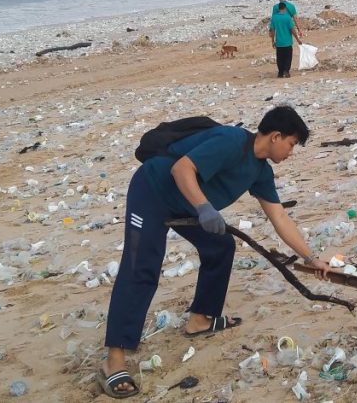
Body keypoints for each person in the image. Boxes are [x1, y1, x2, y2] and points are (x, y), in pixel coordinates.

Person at [99, 106, 327, 398]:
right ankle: (114, 359)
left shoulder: (260, 172)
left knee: (220, 247)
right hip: (152, 191)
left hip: (186, 205)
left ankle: (201, 319)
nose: (291, 152)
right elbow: (181, 168)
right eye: (292, 144)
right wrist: (205, 208)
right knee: (141, 268)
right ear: (276, 136)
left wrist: (310, 258)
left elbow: (279, 217)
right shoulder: (231, 141)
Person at [269, 2, 302, 78]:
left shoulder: (274, 18)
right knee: (288, 57)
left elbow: (272, 30)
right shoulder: (287, 17)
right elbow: (292, 30)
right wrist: (297, 39)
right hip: (287, 42)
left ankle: (280, 72)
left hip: (279, 42)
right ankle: (286, 71)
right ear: (285, 8)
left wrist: (273, 41)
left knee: (280, 58)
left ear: (278, 9)